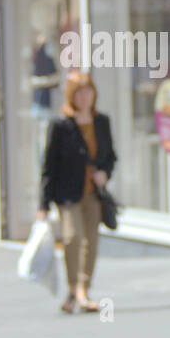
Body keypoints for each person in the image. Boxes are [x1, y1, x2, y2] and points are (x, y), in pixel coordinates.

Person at [37, 71, 116, 314]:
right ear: (71, 96)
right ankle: (72, 288)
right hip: (67, 193)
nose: (84, 97)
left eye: (88, 91)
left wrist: (104, 173)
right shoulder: (61, 126)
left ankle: (84, 289)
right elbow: (49, 166)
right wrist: (43, 204)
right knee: (72, 237)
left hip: (93, 192)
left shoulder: (101, 122)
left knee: (90, 240)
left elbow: (110, 156)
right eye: (79, 92)